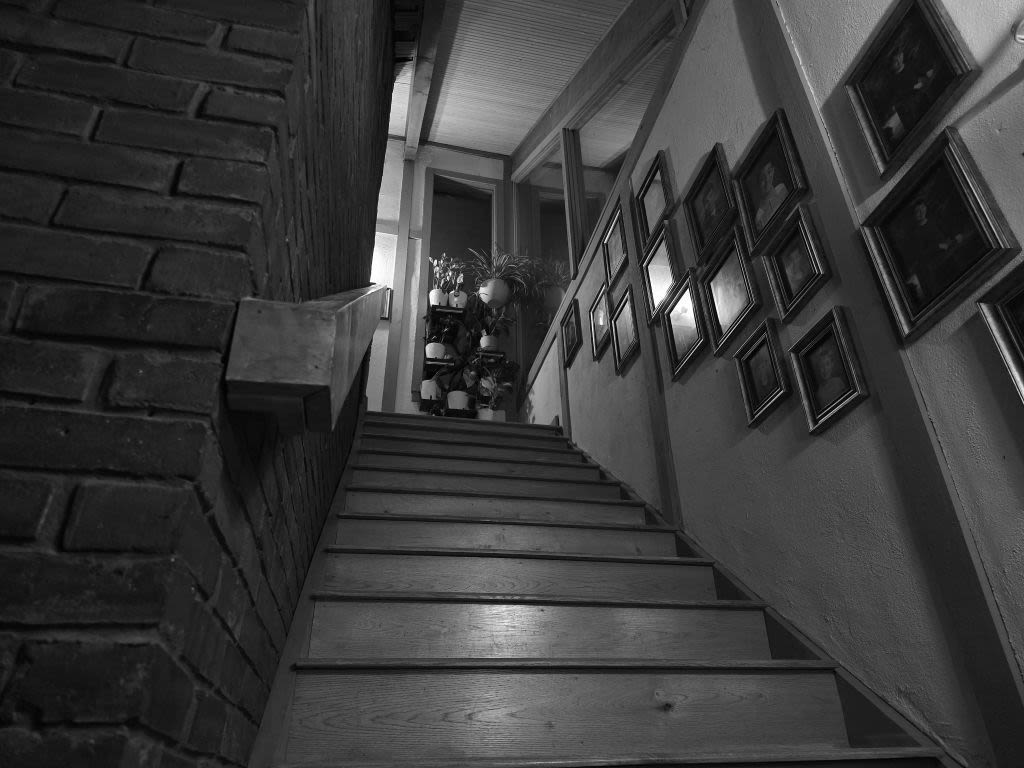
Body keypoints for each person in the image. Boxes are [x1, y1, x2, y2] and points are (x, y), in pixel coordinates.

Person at [809, 339, 848, 410]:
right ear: (818, 369)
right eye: (821, 366)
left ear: (832, 365)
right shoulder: (819, 393)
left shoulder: (838, 382)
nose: (825, 369)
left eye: (827, 364)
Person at [754, 160, 789, 231]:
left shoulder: (782, 188)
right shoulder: (759, 217)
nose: (767, 179)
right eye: (762, 179)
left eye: (769, 172)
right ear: (758, 185)